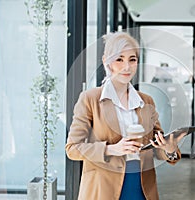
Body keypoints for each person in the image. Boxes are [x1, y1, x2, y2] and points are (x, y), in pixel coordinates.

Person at [65, 31, 186, 200]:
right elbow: (72, 149)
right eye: (119, 59)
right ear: (106, 61)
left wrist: (170, 149)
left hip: (141, 186)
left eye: (132, 59)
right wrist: (111, 149)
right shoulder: (90, 99)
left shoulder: (146, 101)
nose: (127, 66)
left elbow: (157, 148)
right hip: (103, 187)